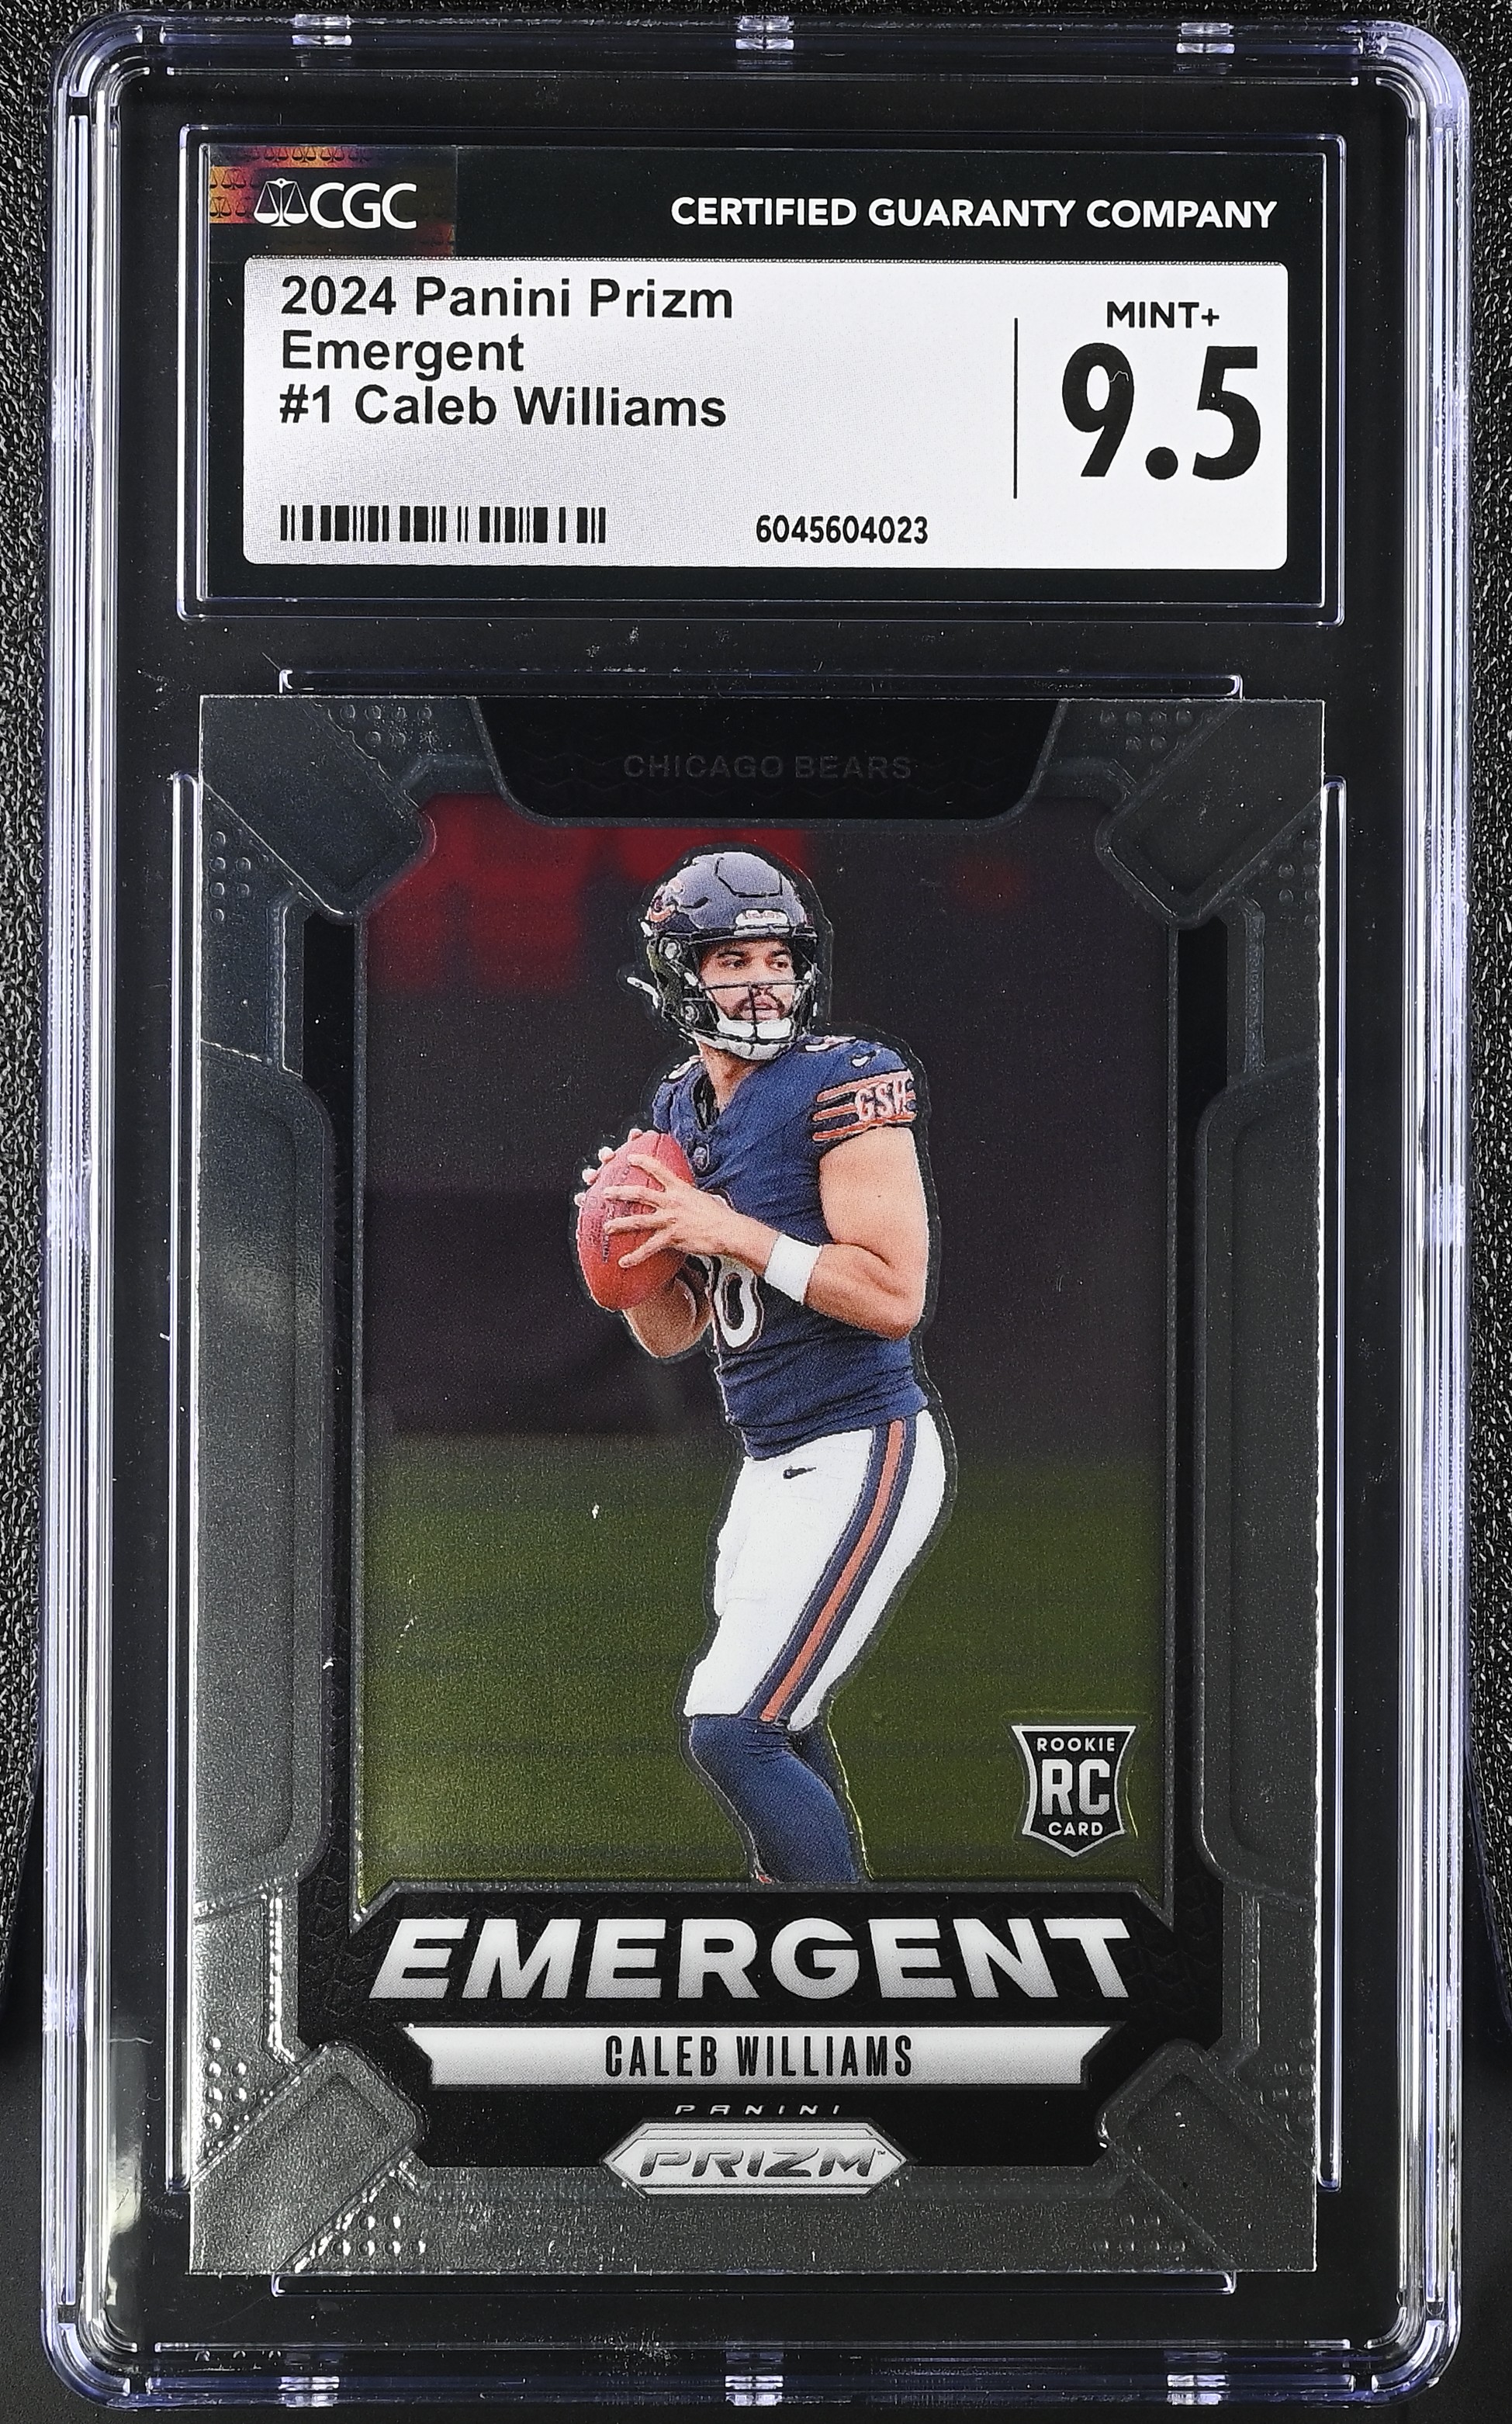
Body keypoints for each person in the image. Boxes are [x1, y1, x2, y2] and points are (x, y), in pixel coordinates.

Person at [579, 847, 952, 1885]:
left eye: (777, 959)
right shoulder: (678, 1108)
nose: (762, 982)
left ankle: (845, 1949)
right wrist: (632, 1250)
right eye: (732, 959)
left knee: (733, 1729)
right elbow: (673, 1334)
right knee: (779, 1720)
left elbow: (893, 1295)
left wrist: (727, 1228)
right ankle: (802, 1929)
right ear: (678, 973)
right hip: (768, 1461)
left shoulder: (844, 1080)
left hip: (860, 1442)